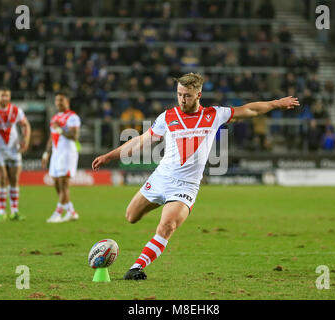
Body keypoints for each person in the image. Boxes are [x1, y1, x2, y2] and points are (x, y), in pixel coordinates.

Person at [91, 73, 300, 280]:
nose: (182, 99)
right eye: (180, 94)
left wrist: (276, 103)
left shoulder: (213, 115)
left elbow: (250, 109)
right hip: (160, 178)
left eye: (187, 96)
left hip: (185, 186)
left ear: (198, 95)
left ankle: (136, 267)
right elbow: (140, 141)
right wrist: (109, 156)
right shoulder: (167, 117)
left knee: (167, 225)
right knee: (131, 217)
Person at [0, 87, 31, 221]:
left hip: (14, 149)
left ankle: (15, 211)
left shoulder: (16, 110)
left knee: (14, 180)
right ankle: (1, 212)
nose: (4, 98)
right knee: (1, 178)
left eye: (7, 96)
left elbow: (25, 125)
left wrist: (26, 140)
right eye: (2, 96)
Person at [42, 91, 81, 223]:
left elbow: (74, 136)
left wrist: (60, 129)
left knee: (64, 183)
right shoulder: (54, 118)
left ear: (67, 102)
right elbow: (51, 137)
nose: (59, 103)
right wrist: (46, 153)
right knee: (56, 183)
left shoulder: (72, 117)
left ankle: (58, 212)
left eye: (61, 100)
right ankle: (71, 211)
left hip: (67, 153)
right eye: (57, 100)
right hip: (56, 153)